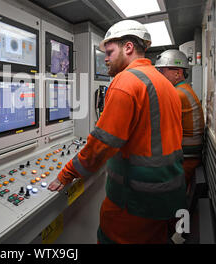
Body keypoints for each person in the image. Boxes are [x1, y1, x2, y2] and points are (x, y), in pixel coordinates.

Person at [48, 20, 187, 244]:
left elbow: (103, 143)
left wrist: (67, 172)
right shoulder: (165, 84)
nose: (105, 58)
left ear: (128, 48)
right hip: (167, 192)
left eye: (110, 51)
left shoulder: (125, 82)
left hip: (135, 201)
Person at [155, 49, 205, 186]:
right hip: (190, 154)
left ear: (178, 72)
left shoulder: (177, 94)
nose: (159, 76)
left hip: (186, 158)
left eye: (162, 71)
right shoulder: (184, 89)